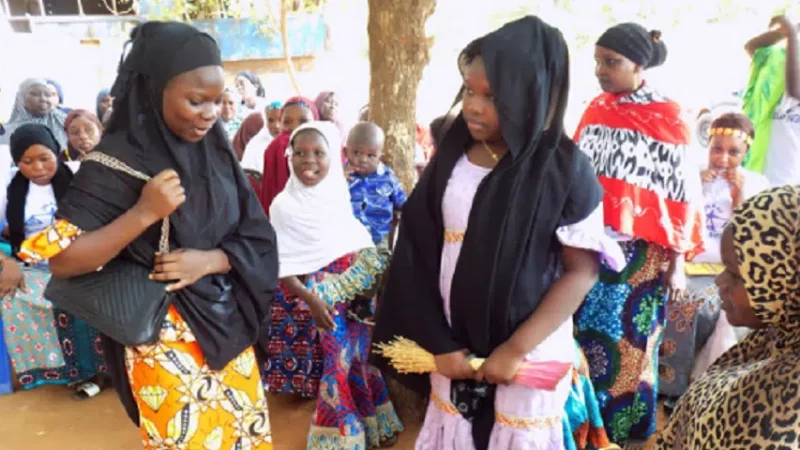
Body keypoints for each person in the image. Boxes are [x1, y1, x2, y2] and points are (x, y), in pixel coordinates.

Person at [18, 22, 278, 449]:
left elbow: (257, 234)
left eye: (215, 101)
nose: (210, 114)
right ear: (154, 90)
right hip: (163, 339)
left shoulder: (215, 151)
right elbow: (64, 260)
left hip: (228, 330)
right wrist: (143, 214)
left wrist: (211, 259)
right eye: (195, 101)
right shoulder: (114, 163)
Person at [372, 16, 625, 450]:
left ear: (531, 95)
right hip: (451, 348)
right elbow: (415, 251)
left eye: (492, 96)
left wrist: (514, 349)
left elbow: (579, 272)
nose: (473, 105)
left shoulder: (565, 169)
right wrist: (439, 343)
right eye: (469, 90)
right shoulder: (452, 154)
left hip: (528, 355)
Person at [572, 23, 704, 445]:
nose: (600, 70)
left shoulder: (668, 117)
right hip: (590, 249)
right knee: (585, 339)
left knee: (631, 346)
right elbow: (576, 177)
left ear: (639, 64)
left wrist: (678, 263)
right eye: (597, 61)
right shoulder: (595, 109)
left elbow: (682, 196)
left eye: (611, 62)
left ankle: (624, 431)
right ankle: (588, 426)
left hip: (643, 257)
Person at [270, 121, 403, 448]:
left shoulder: (339, 192)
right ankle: (339, 439)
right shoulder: (283, 206)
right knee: (336, 362)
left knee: (358, 358)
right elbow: (283, 265)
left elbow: (357, 237)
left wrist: (370, 282)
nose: (308, 160)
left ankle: (370, 427)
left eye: (318, 152)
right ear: (289, 156)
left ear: (333, 156)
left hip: (359, 287)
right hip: (322, 294)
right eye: (299, 152)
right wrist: (310, 300)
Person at [657, 185, 800, 449]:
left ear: (786, 282)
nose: (720, 282)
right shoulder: (775, 338)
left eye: (735, 275)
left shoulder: (783, 408)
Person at [659, 113, 769, 406]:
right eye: (716, 149)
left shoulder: (756, 184)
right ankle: (667, 384)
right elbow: (674, 222)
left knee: (692, 306)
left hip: (724, 270)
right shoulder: (691, 175)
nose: (722, 158)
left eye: (734, 152)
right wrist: (694, 185)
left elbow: (750, 238)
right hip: (685, 263)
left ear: (746, 153)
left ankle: (677, 390)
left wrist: (738, 196)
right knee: (673, 298)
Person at [1, 123, 108, 398]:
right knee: (11, 298)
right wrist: (7, 262)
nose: (38, 168)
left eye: (44, 158)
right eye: (27, 161)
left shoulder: (77, 177)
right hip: (35, 268)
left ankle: (95, 372)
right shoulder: (9, 191)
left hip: (83, 264)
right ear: (17, 162)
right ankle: (60, 371)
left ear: (57, 154)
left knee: (84, 298)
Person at [742, 14, 800, 186]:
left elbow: (795, 90)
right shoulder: (778, 73)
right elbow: (752, 47)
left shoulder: (792, 84)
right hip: (757, 175)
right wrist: (789, 31)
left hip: (789, 185)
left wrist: (791, 33)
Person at [345, 121, 406, 244]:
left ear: (379, 156)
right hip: (347, 241)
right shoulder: (339, 177)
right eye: (357, 152)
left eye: (371, 155)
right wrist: (338, 180)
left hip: (377, 240)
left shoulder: (388, 179)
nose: (363, 159)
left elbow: (404, 204)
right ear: (346, 152)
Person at [260, 96, 318, 214]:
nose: (294, 127)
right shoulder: (277, 147)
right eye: (287, 122)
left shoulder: (327, 147)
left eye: (303, 121)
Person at [0, 78, 68, 149]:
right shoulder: (5, 133)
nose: (43, 99)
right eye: (35, 94)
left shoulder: (66, 123)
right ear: (21, 98)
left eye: (47, 94)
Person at [236, 101, 283, 172]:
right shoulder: (255, 144)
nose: (276, 125)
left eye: (280, 120)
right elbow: (249, 174)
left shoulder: (295, 141)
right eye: (271, 121)